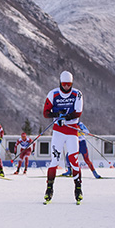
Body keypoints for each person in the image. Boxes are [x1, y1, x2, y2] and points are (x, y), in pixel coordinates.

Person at [43, 70, 84, 204]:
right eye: (64, 84)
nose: (66, 86)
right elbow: (45, 113)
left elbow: (78, 113)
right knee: (54, 161)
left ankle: (78, 189)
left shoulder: (77, 94)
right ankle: (49, 189)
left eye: (69, 84)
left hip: (72, 131)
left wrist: (65, 117)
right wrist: (56, 114)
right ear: (60, 82)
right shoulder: (53, 94)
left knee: (74, 160)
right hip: (58, 132)